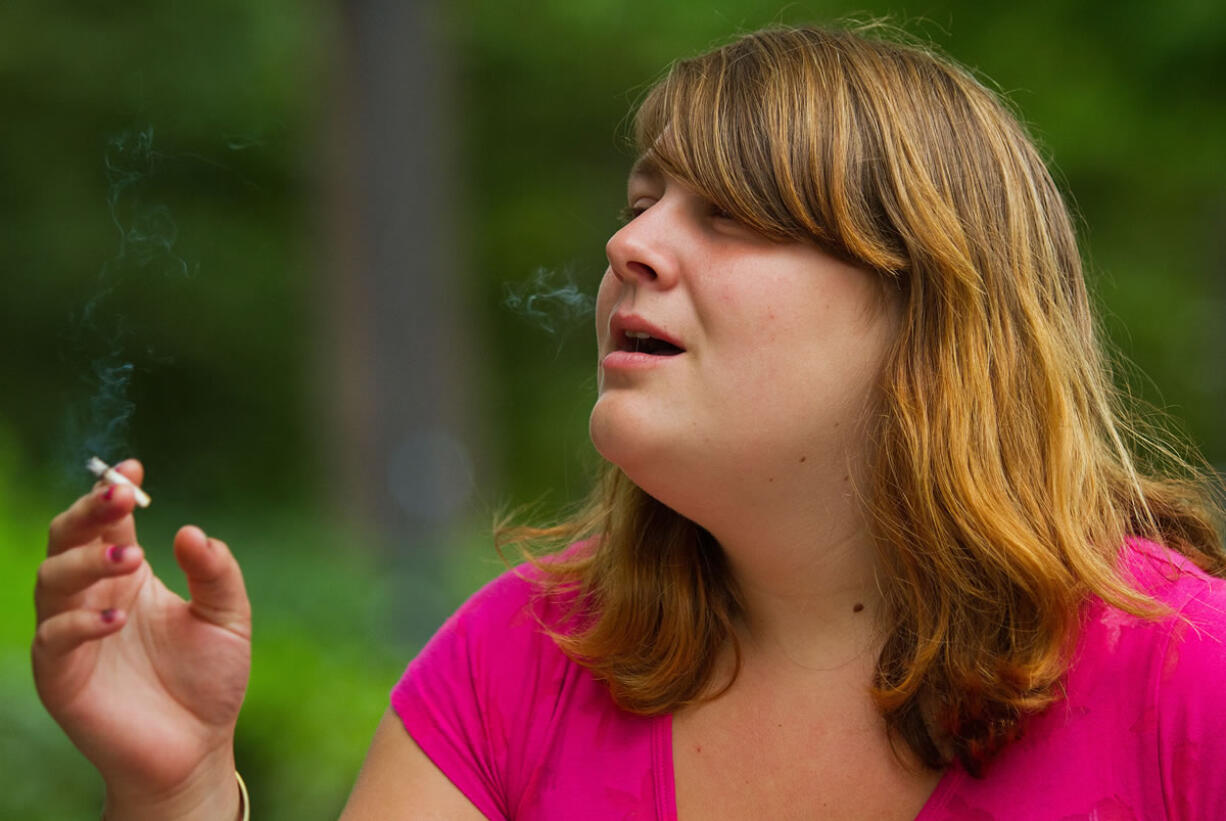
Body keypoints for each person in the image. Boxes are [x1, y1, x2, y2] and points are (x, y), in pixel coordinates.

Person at [33, 23, 1226, 821]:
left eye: (731, 216)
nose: (627, 245)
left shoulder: (1186, 679)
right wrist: (183, 790)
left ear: (928, 311)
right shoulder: (520, 663)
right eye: (643, 202)